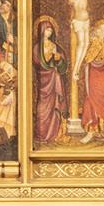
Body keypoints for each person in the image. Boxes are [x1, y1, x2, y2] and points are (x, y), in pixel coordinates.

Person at [80, 16, 104, 141]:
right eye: (99, 29)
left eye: (103, 30)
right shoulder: (94, 44)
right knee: (90, 101)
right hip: (93, 78)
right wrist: (94, 46)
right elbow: (88, 60)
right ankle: (92, 131)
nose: (100, 32)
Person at [33, 16, 67, 147]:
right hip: (44, 80)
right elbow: (37, 62)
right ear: (41, 31)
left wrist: (59, 59)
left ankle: (53, 133)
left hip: (53, 79)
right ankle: (41, 134)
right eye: (47, 30)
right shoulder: (37, 47)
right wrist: (48, 61)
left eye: (50, 30)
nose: (49, 33)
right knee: (42, 108)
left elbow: (61, 64)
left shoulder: (54, 46)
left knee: (54, 106)